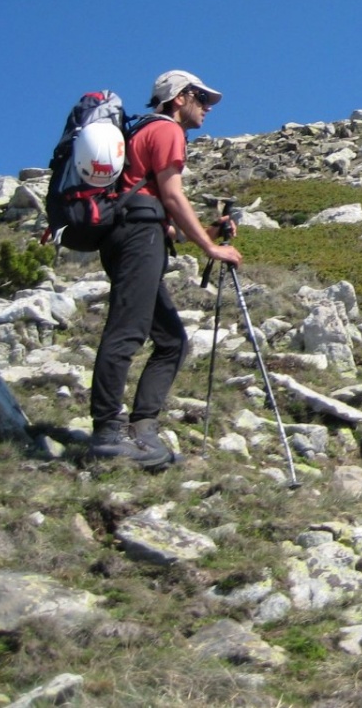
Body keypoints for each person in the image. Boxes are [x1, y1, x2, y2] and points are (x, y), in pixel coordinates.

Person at [88, 70, 242, 468]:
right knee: (127, 332)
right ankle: (107, 432)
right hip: (140, 240)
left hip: (137, 235)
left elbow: (161, 213)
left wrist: (207, 232)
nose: (207, 108)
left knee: (172, 341)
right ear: (180, 98)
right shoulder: (167, 131)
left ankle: (143, 431)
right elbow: (172, 196)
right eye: (202, 99)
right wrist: (211, 248)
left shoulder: (143, 133)